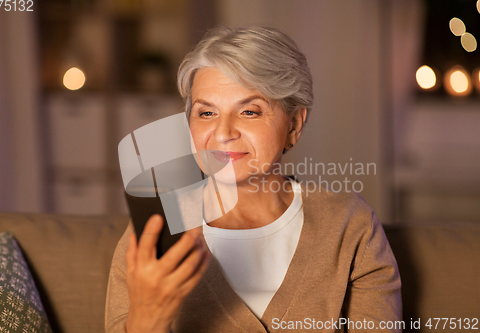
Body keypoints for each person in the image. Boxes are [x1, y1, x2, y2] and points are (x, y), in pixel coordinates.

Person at [105, 26, 402, 333]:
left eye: (249, 111)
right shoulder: (156, 229)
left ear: (293, 126)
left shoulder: (348, 224)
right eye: (206, 113)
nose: (223, 133)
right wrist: (147, 320)